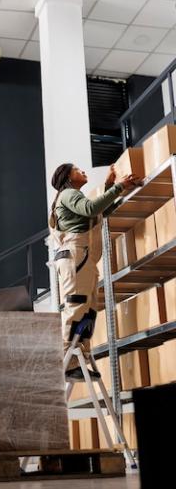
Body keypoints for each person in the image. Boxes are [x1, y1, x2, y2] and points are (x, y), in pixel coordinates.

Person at [49, 163, 138, 381]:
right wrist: (117, 187)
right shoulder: (68, 194)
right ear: (68, 177)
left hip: (83, 257)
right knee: (76, 305)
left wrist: (112, 185)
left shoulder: (74, 196)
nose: (83, 172)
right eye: (78, 170)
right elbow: (91, 208)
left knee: (88, 311)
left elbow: (99, 212)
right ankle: (66, 361)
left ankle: (78, 359)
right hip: (76, 257)